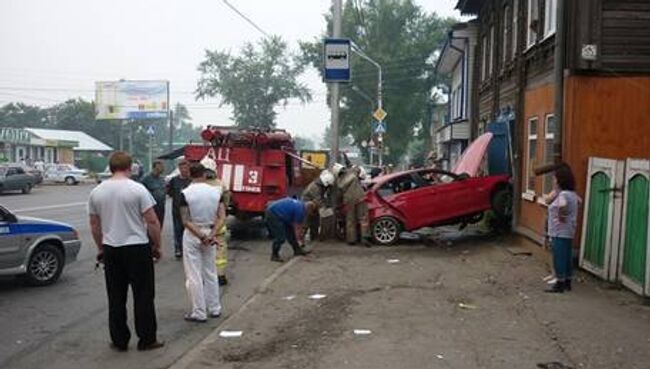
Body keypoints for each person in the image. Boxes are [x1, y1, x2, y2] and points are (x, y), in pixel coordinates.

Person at [88, 151, 164, 352]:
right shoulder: (137, 190)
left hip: (112, 249)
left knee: (115, 297)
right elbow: (152, 221)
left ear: (110, 167)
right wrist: (156, 246)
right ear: (130, 167)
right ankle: (147, 339)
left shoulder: (97, 192)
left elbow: (94, 225)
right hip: (137, 248)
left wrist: (100, 247)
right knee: (144, 295)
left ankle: (119, 340)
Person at [179, 163, 225, 322]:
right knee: (211, 271)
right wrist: (211, 235)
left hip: (193, 234)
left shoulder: (185, 193)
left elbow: (185, 220)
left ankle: (199, 311)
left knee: (194, 274)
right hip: (210, 231)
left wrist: (201, 236)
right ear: (205, 174)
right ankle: (215, 307)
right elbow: (221, 217)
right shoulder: (216, 192)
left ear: (190, 175)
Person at [544, 163, 580, 293]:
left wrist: (561, 215)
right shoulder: (572, 194)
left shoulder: (563, 195)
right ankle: (567, 282)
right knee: (566, 256)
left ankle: (559, 283)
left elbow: (562, 205)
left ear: (560, 180)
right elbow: (579, 202)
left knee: (558, 256)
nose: (553, 180)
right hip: (569, 230)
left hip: (559, 231)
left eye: (555, 178)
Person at [201, 156, 231, 286]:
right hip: (218, 223)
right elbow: (226, 200)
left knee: (203, 250)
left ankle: (205, 276)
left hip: (201, 223)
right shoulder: (221, 184)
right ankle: (220, 276)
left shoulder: (196, 185)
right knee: (220, 249)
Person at [265, 198, 315, 262]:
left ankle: (297, 250)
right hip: (274, 214)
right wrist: (300, 240)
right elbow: (297, 228)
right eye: (310, 212)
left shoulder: (300, 205)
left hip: (280, 214)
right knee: (280, 237)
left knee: (290, 232)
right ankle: (274, 255)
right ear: (309, 209)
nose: (308, 215)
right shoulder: (300, 211)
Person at [333, 163, 370, 246]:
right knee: (363, 218)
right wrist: (350, 165)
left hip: (348, 200)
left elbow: (338, 195)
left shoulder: (339, 182)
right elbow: (358, 168)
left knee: (350, 219)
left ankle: (351, 239)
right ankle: (365, 237)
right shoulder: (352, 172)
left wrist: (338, 205)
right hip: (360, 197)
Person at [301, 170, 335, 242]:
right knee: (306, 221)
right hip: (307, 204)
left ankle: (314, 237)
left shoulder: (319, 185)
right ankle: (301, 238)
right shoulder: (315, 187)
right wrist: (326, 208)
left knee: (315, 221)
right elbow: (318, 199)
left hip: (313, 204)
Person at [167, 160, 192, 258]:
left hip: (189, 211)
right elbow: (170, 192)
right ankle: (178, 249)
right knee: (177, 230)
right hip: (177, 210)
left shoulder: (191, 181)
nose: (184, 170)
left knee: (189, 230)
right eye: (182, 168)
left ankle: (187, 249)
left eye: (185, 168)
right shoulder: (174, 180)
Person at [141, 161, 166, 229]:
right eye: (159, 167)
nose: (161, 169)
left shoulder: (162, 179)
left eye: (162, 167)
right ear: (154, 168)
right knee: (152, 226)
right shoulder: (146, 179)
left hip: (161, 207)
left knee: (160, 226)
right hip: (151, 207)